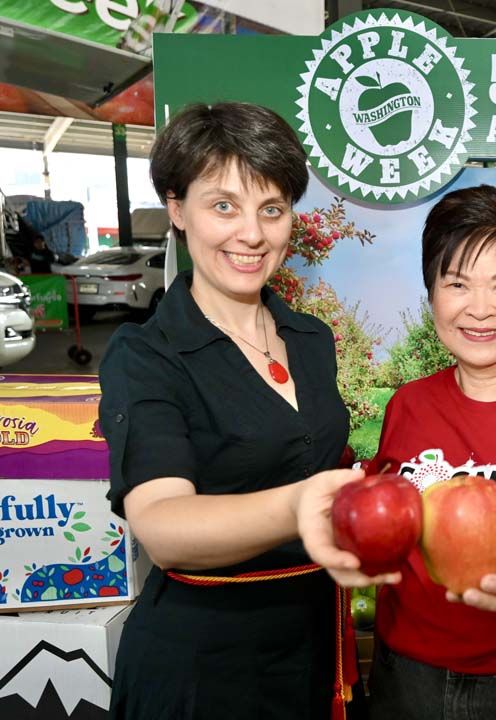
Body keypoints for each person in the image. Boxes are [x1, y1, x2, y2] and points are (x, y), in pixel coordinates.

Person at [98, 102, 381, 720]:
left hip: (312, 648)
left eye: (271, 209)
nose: (251, 233)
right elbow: (164, 526)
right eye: (223, 205)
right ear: (176, 208)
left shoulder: (310, 339)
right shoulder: (147, 355)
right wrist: (300, 505)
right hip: (204, 668)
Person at [298, 184, 496, 720]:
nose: (480, 309)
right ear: (432, 295)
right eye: (457, 284)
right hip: (408, 680)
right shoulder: (407, 405)